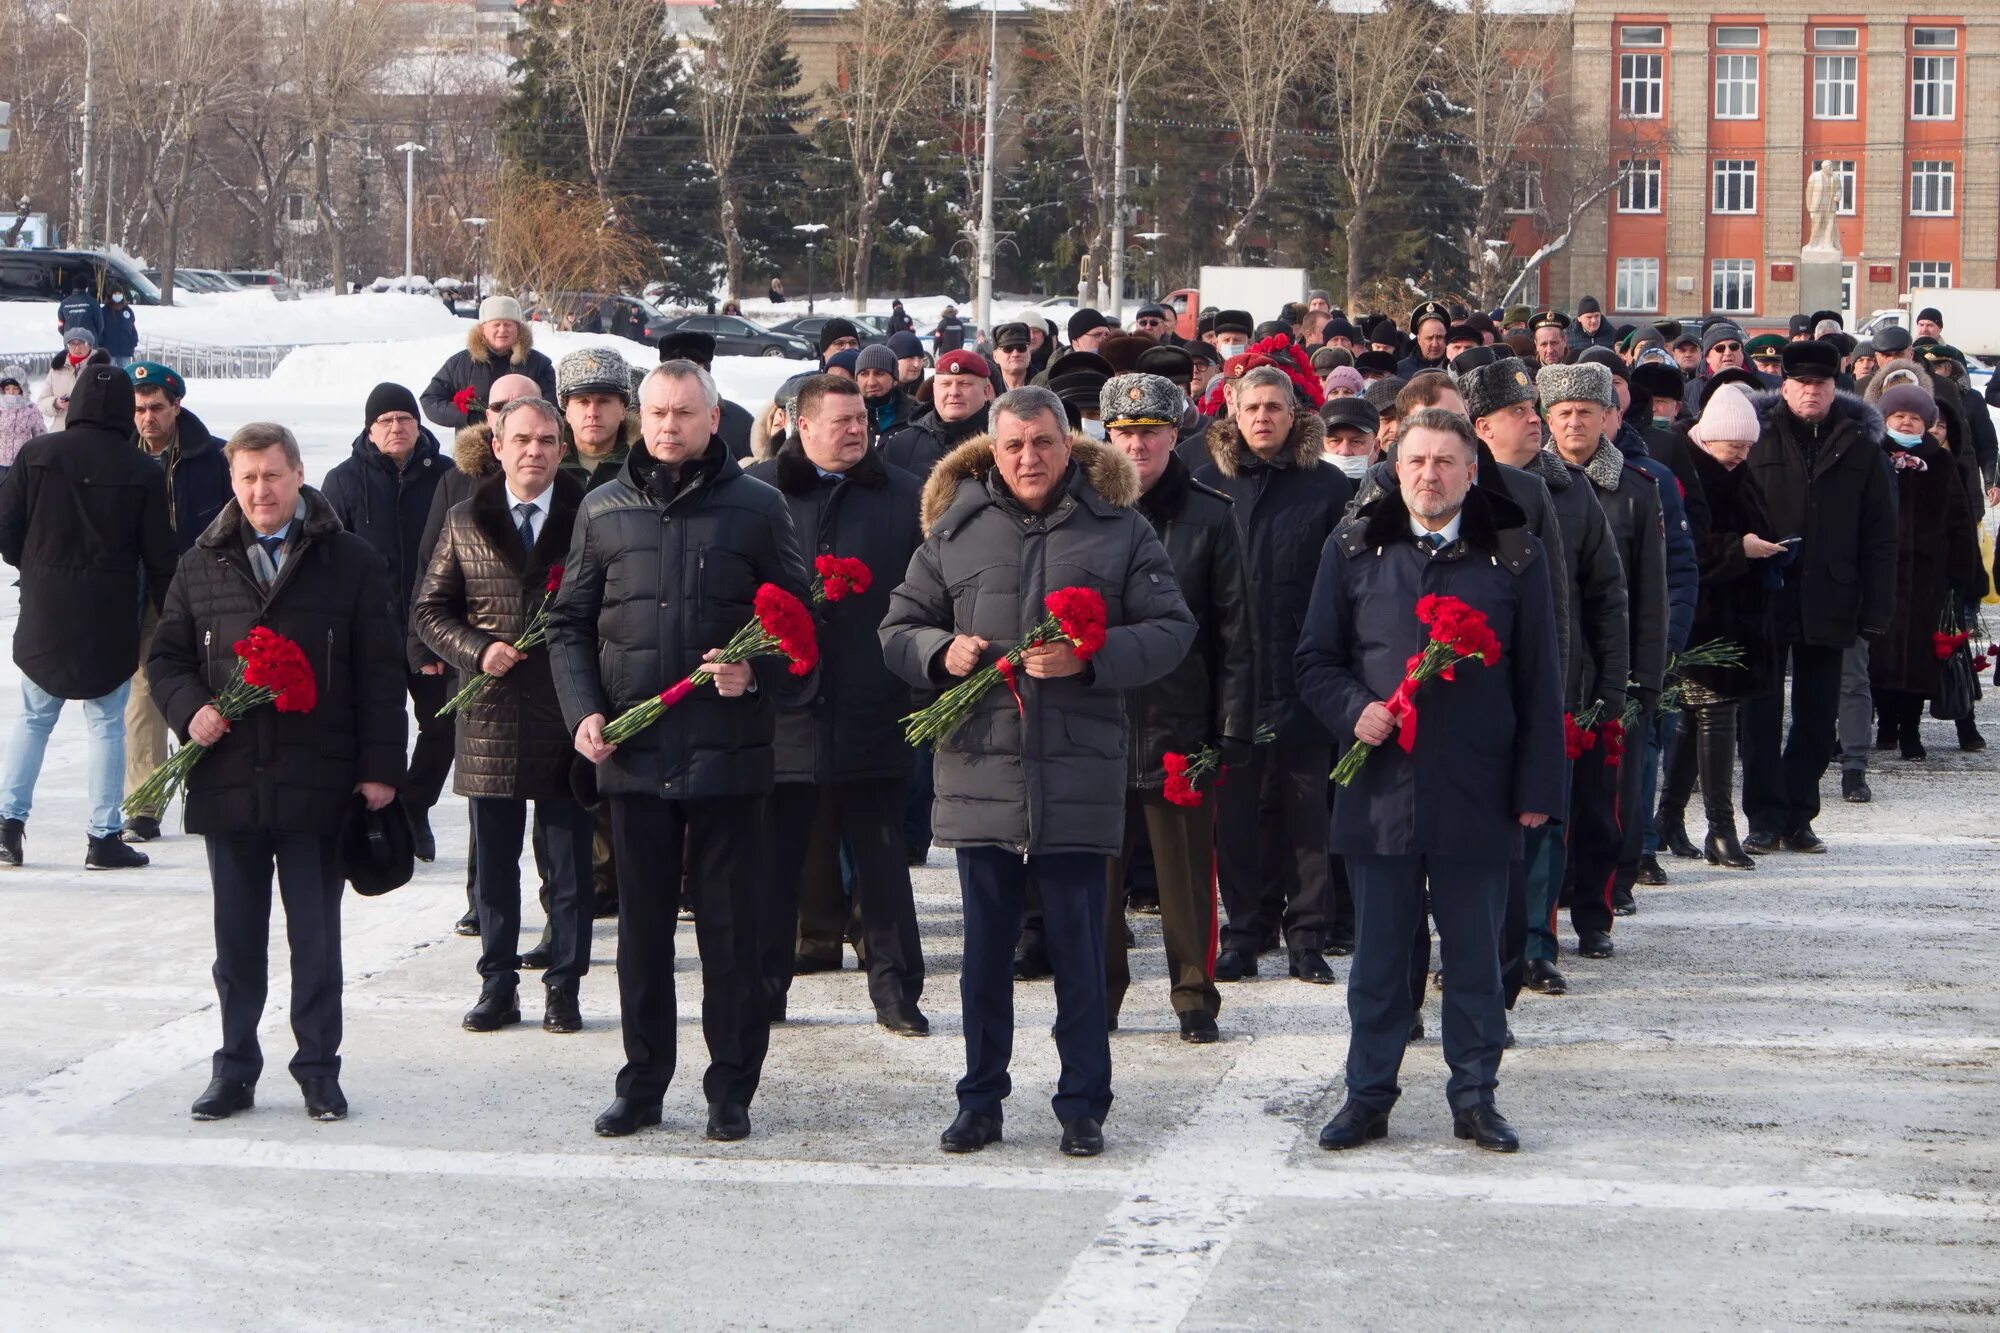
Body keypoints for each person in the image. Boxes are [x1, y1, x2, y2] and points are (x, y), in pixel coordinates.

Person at [881, 384, 1195, 1158]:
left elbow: (1171, 628)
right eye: (1013, 444)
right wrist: (937, 653)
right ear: (992, 449)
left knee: (1081, 954)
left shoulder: (1119, 531)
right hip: (981, 772)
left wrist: (1093, 657)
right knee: (984, 958)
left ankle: (1083, 1102)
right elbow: (897, 626)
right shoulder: (953, 530)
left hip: (1078, 774)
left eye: (1043, 443)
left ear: (1069, 445)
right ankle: (980, 1098)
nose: (1029, 457)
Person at [549, 360, 813, 1144]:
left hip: (728, 759)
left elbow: (802, 635)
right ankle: (642, 1082)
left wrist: (753, 674)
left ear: (713, 416)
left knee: (729, 934)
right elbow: (568, 624)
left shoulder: (758, 507)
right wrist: (583, 712)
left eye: (685, 414)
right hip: (634, 759)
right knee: (641, 936)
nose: (669, 427)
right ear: (641, 415)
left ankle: (730, 1086)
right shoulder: (602, 509)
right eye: (658, 413)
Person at [1296, 408, 1564, 1155]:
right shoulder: (1353, 549)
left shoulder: (1514, 556)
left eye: (1447, 462)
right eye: (1416, 461)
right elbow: (1314, 660)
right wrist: (1358, 712)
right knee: (1380, 960)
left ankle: (1475, 1096)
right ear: (1394, 468)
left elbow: (1543, 680)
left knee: (1477, 958)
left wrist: (1539, 789)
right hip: (1380, 789)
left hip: (1478, 791)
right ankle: (1368, 1096)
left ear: (1472, 471)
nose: (1430, 475)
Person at [148, 422, 407, 1123]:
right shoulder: (201, 561)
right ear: (233, 483)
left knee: (315, 938)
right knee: (237, 942)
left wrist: (381, 767)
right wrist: (191, 708)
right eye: (248, 478)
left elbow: (382, 673)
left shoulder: (347, 560)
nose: (260, 490)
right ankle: (234, 1069)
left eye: (272, 474)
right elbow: (165, 658)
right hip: (229, 781)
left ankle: (318, 1068)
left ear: (298, 474)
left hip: (315, 782)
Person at [743, 375, 928, 1035]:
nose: (857, 430)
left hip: (872, 704)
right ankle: (764, 990)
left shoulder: (906, 497)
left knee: (882, 861)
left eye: (863, 419)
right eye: (841, 420)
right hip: (780, 709)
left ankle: (896, 989)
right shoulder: (757, 492)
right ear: (800, 424)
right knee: (774, 865)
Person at [414, 397, 596, 1036]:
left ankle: (564, 985)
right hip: (488, 713)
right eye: (521, 439)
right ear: (498, 445)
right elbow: (430, 610)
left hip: (565, 709)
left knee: (569, 861)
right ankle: (497, 983)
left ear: (562, 447)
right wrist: (477, 648)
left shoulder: (590, 517)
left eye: (547, 440)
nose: (534, 451)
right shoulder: (466, 519)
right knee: (493, 865)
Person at [1459, 357, 1626, 998]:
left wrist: (1609, 683)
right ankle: (1475, 942)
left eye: (1538, 411)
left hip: (1554, 681)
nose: (1539, 423)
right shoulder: (1450, 489)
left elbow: (1601, 593)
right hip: (1471, 687)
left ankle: (1536, 943)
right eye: (1522, 414)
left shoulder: (1568, 490)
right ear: (1482, 427)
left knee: (1543, 822)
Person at [1099, 374, 1255, 1042]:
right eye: (1126, 433)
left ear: (1176, 434)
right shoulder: (1082, 512)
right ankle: (1098, 989)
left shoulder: (1210, 515)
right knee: (1094, 877)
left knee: (1187, 876)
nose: (1138, 445)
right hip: (1098, 722)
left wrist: (1229, 727)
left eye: (1152, 432)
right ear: (1106, 435)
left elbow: (1235, 633)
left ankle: (1194, 992)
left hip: (1178, 723)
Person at [1192, 365, 1354, 982]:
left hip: (1306, 675)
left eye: (1275, 408)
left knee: (1308, 815)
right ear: (1233, 410)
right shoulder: (1207, 482)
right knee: (1237, 818)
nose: (1263, 418)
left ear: (1295, 415)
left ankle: (1308, 935)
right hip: (1232, 677)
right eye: (1253, 407)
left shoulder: (1327, 487)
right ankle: (1244, 931)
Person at [0, 363, 175, 870]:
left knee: (34, 718)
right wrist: (173, 616)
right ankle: (103, 836)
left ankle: (8, 827)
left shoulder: (37, 455)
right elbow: (160, 553)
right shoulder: (142, 470)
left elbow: (5, 528)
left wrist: (33, 566)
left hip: (46, 608)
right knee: (106, 724)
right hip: (110, 611)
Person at [1741, 340, 1897, 854]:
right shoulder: (1755, 438)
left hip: (1832, 593)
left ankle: (1798, 812)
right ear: (1783, 386)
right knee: (1760, 713)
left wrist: (1875, 610)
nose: (1811, 392)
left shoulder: (1860, 446)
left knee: (1816, 713)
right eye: (1802, 383)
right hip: (1766, 592)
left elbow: (1880, 535)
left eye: (1821, 384)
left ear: (1836, 388)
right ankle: (1763, 815)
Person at [409, 372, 548, 937]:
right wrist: (460, 648)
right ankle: (488, 930)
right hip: (484, 684)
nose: (512, 416)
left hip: (554, 699)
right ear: (490, 425)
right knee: (489, 824)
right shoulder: (459, 487)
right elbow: (432, 582)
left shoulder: (575, 504)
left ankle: (561, 957)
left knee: (557, 834)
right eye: (500, 407)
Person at [1537, 362, 1666, 960]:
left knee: (1601, 807)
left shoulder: (1636, 491)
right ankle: (1546, 914)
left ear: (1606, 418)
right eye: (1561, 414)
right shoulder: (1534, 485)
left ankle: (1596, 913)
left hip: (1604, 673)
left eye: (1584, 413)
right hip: (1552, 672)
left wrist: (1641, 678)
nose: (1572, 424)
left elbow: (1645, 595)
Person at [320, 383, 457, 862]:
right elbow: (327, 559)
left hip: (432, 628)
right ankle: (372, 814)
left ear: (419, 426)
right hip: (368, 630)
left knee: (444, 724)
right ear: (369, 429)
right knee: (372, 727)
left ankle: (414, 805)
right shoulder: (342, 481)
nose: (396, 428)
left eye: (405, 418)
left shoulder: (447, 476)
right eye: (385, 421)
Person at [1654, 385, 1781, 870]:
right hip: (1701, 616)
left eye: (1748, 448)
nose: (1743, 456)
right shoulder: (1688, 472)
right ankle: (1720, 829)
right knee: (1714, 716)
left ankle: (1669, 817)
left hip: (1741, 614)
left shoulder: (1740, 471)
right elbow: (1685, 550)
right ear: (1712, 439)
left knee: (1694, 720)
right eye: (1736, 447)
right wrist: (1738, 549)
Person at [119, 362, 230, 843]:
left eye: (156, 408)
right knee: (145, 696)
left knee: (210, 689)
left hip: (205, 593)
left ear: (177, 406)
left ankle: (216, 789)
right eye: (139, 409)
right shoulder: (119, 456)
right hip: (145, 596)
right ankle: (145, 803)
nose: (147, 418)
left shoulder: (214, 458)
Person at [1867, 383, 1984, 759]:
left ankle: (1910, 731)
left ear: (1926, 423)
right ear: (1885, 419)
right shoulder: (1870, 455)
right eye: (1899, 416)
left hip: (1927, 579)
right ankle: (1884, 725)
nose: (1906, 422)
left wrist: (1962, 575)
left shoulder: (1941, 462)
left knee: (1919, 657)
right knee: (1877, 655)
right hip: (1879, 576)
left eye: (1914, 417)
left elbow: (1960, 521)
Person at [420, 296, 559, 429]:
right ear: (482, 329)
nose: (502, 330)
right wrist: (466, 415)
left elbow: (550, 407)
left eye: (508, 324)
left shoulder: (539, 364)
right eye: (496, 325)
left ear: (518, 328)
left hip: (522, 443)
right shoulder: (460, 364)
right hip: (475, 445)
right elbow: (430, 400)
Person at [882, 349, 994, 479]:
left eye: (964, 384)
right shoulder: (900, 447)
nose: (954, 392)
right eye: (945, 384)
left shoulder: (1005, 443)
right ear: (934, 390)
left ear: (986, 391)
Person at [658, 331, 756, 459]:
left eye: (690, 371)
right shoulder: (647, 420)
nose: (682, 381)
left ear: (706, 375)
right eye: (673, 372)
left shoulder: (740, 422)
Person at [555, 346, 637, 489]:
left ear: (622, 410)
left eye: (604, 401)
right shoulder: (545, 462)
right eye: (583, 402)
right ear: (567, 412)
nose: (592, 413)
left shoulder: (641, 467)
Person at [35, 327, 109, 429]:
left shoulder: (102, 370)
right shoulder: (56, 369)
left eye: (82, 343)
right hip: (61, 431)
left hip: (91, 430)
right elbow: (41, 403)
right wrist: (56, 403)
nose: (77, 348)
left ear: (90, 345)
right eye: (72, 344)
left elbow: (110, 402)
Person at [855, 343, 918, 445]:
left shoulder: (917, 417)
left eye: (879, 373)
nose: (871, 382)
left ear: (895, 380)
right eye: (864, 374)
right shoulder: (846, 418)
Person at [100, 289, 140, 368]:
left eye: (119, 293)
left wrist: (134, 341)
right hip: (109, 350)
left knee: (125, 373)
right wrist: (101, 343)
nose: (117, 295)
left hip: (125, 349)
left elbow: (133, 328)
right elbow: (100, 328)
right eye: (115, 293)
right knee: (109, 373)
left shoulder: (128, 310)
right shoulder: (104, 311)